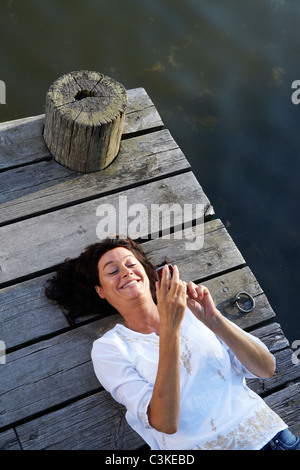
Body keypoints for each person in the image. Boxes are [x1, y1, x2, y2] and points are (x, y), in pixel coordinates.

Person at [45, 236, 300, 450]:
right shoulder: (109, 349)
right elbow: (164, 422)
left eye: (130, 264)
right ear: (100, 291)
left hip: (271, 436)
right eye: (112, 271)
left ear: (145, 274)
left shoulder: (192, 310)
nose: (125, 272)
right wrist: (169, 329)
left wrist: (214, 320)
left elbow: (266, 368)